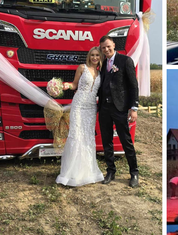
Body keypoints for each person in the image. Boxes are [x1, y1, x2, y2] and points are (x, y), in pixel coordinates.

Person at [56, 47, 104, 187]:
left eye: (97, 55)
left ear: (100, 57)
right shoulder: (82, 68)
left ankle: (87, 172)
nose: (94, 57)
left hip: (91, 107)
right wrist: (66, 85)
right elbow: (74, 84)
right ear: (89, 56)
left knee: (88, 136)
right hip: (78, 104)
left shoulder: (101, 72)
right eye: (92, 55)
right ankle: (71, 173)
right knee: (76, 135)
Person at [98, 35, 140, 188]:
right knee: (106, 141)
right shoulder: (102, 64)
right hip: (104, 108)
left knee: (126, 141)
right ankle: (110, 171)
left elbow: (133, 86)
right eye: (103, 48)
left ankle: (134, 173)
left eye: (108, 46)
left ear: (114, 45)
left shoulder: (125, 61)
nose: (106, 49)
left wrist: (133, 108)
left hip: (120, 108)